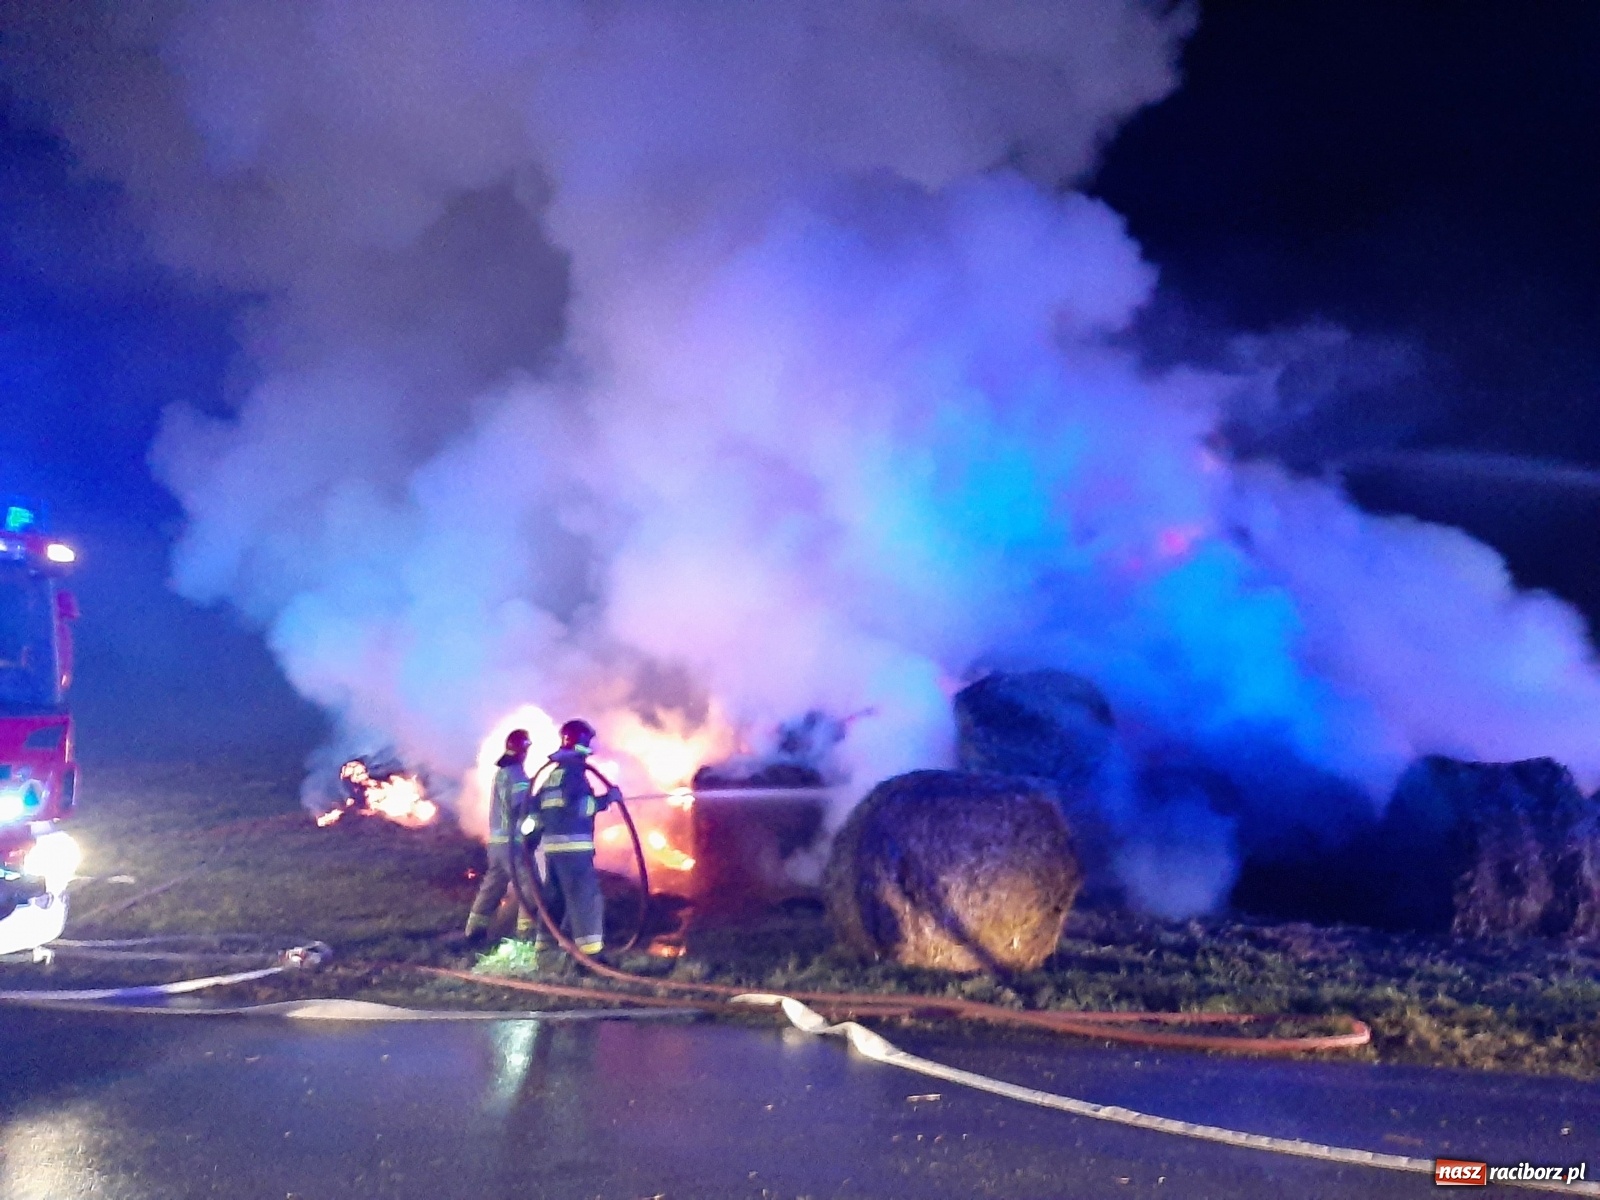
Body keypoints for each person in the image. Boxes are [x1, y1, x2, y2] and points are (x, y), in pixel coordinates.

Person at [530, 718, 621, 958]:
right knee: (585, 898)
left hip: (553, 850)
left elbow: (536, 809)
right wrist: (608, 799)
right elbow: (582, 806)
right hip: (574, 850)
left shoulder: (552, 777)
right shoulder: (574, 775)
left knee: (554, 899)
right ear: (581, 744)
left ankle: (545, 947)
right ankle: (590, 955)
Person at [463, 728, 537, 947]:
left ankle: (474, 930)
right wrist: (536, 809)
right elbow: (519, 808)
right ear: (523, 750)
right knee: (530, 886)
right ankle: (526, 935)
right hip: (512, 844)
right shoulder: (516, 775)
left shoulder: (501, 774)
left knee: (493, 886)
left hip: (496, 844)